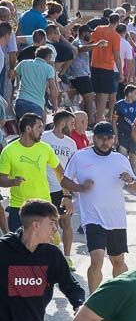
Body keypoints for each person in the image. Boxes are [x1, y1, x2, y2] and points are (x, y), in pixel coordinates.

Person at [60, 122, 136, 293]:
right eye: (101, 138)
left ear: (113, 139)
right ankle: (93, 300)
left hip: (116, 219)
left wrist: (130, 180)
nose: (105, 141)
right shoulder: (80, 157)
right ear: (93, 138)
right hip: (92, 218)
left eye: (109, 138)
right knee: (96, 260)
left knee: (117, 262)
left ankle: (120, 297)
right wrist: (79, 188)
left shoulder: (120, 159)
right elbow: (65, 181)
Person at [0, 113, 62, 233]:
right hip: (19, 207)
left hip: (44, 205)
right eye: (39, 127)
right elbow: (1, 179)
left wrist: (66, 195)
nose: (42, 131)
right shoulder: (9, 151)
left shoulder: (45, 148)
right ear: (28, 128)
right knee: (20, 249)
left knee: (46, 246)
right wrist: (13, 182)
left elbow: (60, 171)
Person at [40, 110, 78, 266]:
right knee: (43, 225)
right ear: (63, 123)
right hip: (42, 188)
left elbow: (73, 167)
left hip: (61, 190)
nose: (73, 127)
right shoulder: (43, 137)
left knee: (66, 223)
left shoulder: (71, 143)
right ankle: (46, 259)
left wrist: (69, 192)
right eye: (71, 123)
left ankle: (67, 257)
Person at [13, 46, 59, 120]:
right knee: (37, 129)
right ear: (48, 56)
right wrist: (55, 104)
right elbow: (53, 88)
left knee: (22, 129)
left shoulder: (24, 63)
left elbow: (12, 75)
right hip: (37, 104)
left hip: (21, 102)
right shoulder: (49, 69)